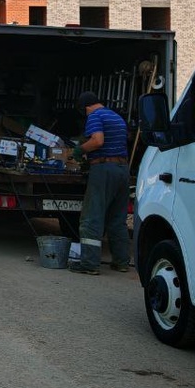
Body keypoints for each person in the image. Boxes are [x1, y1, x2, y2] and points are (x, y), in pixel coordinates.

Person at [69, 91, 131, 275]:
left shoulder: (95, 116)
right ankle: (121, 262)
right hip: (122, 170)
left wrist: (79, 151)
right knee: (117, 219)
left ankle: (89, 264)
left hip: (104, 169)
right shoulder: (116, 117)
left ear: (85, 108)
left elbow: (97, 140)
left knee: (91, 217)